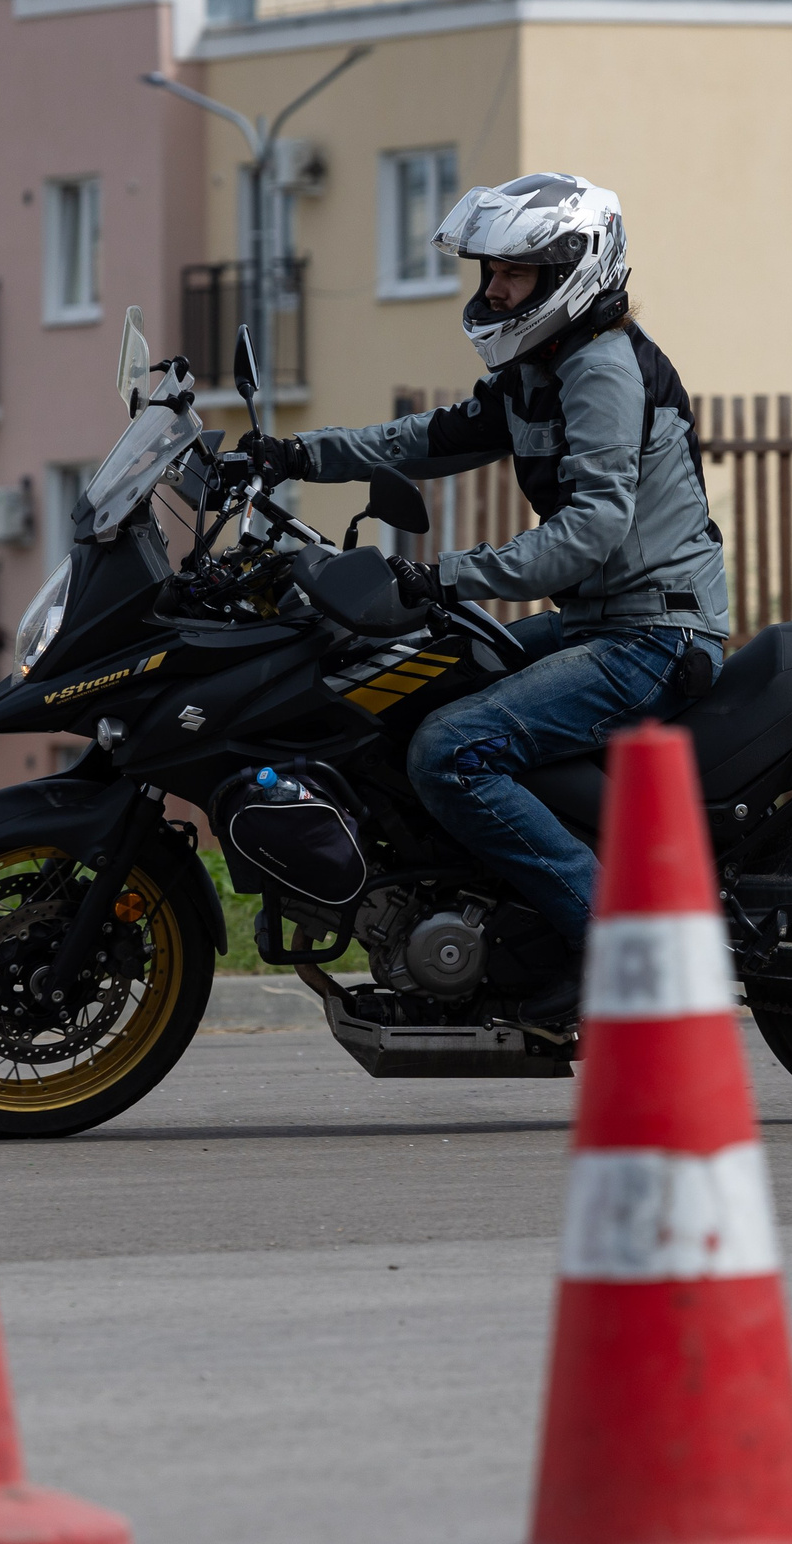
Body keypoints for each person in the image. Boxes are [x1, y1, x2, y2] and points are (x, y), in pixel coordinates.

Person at [259, 173, 728, 1026]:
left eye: (514, 272)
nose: (495, 289)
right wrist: (293, 456)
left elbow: (588, 532)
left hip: (654, 636)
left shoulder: (601, 371)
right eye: (492, 272)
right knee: (432, 679)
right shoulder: (539, 369)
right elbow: (426, 439)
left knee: (449, 750)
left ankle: (615, 950)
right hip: (602, 624)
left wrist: (446, 575)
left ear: (570, 272)